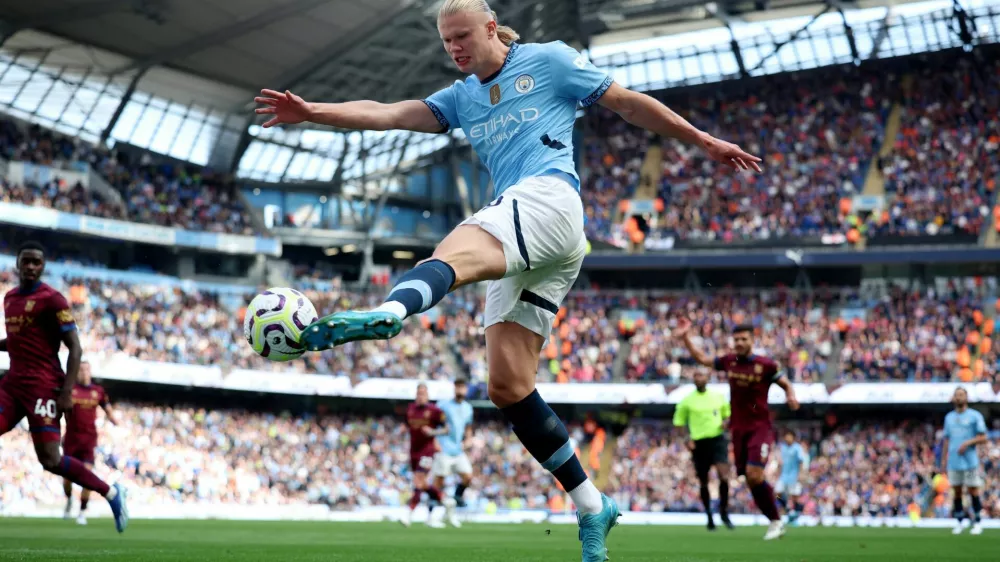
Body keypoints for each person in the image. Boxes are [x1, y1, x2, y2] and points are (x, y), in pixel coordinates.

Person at [255, 0, 760, 557]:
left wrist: (703, 140)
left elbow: (628, 105)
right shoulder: (461, 95)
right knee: (508, 386)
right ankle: (594, 506)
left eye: (462, 36)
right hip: (537, 239)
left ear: (491, 27)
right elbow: (390, 113)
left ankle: (392, 311)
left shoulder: (548, 61)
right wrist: (313, 113)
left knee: (459, 247)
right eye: (446, 41)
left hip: (550, 200)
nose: (454, 48)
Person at [0, 241, 128, 533]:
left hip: (44, 388)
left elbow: (75, 348)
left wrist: (67, 391)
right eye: (27, 261)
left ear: (42, 267)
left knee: (51, 460)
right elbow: (19, 343)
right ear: (17, 264)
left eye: (37, 262)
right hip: (12, 384)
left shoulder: (53, 300)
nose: (31, 267)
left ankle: (111, 492)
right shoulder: (9, 299)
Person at [676, 319, 799, 540]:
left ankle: (777, 519)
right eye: (737, 339)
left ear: (753, 339)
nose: (740, 342)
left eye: (744, 339)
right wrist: (685, 337)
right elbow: (703, 359)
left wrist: (790, 393)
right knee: (749, 478)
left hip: (760, 428)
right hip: (738, 430)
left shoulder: (766, 365)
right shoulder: (729, 361)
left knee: (754, 474)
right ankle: (778, 515)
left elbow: (784, 382)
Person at [672, 369, 734, 531]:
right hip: (699, 443)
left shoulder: (718, 397)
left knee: (724, 476)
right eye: (696, 375)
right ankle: (709, 516)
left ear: (708, 378)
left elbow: (728, 415)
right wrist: (686, 439)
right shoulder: (687, 401)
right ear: (693, 379)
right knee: (703, 481)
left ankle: (724, 512)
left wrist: (726, 423)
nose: (699, 378)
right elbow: (679, 423)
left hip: (717, 440)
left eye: (702, 375)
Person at [62, 361, 118, 525]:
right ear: (77, 372)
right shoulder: (71, 390)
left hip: (88, 441)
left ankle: (81, 511)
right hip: (71, 440)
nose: (84, 372)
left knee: (87, 475)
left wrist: (115, 421)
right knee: (67, 478)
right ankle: (69, 499)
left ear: (90, 371)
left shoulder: (98, 391)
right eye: (81, 369)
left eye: (86, 369)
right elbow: (64, 411)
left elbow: (107, 408)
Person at [403, 383, 456, 528]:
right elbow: (409, 426)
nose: (420, 396)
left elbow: (447, 429)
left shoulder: (434, 411)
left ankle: (408, 514)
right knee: (423, 484)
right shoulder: (410, 409)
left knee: (418, 481)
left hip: (427, 450)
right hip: (413, 451)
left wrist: (433, 433)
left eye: (423, 393)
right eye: (418, 393)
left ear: (427, 395)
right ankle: (445, 499)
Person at [941, 387, 987, 535]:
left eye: (962, 395)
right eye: (957, 395)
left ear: (966, 398)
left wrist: (967, 443)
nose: (959, 398)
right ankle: (959, 522)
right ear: (954, 398)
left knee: (973, 490)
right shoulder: (949, 417)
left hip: (970, 461)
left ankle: (978, 522)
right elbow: (947, 440)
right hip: (954, 461)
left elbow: (983, 437)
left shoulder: (975, 416)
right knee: (957, 491)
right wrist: (943, 460)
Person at [433, 378, 475, 528]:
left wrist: (469, 439)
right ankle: (433, 514)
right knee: (439, 482)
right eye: (458, 387)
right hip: (444, 448)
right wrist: (435, 441)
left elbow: (469, 428)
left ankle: (454, 501)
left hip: (458, 450)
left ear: (466, 389)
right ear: (454, 388)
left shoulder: (468, 408)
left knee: (468, 476)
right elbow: (433, 423)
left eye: (463, 387)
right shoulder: (443, 405)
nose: (460, 390)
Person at [775, 429, 809, 526]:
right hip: (783, 476)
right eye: (786, 436)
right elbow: (780, 462)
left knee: (794, 497)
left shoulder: (797, 448)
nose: (787, 438)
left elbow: (801, 461)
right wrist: (778, 472)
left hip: (794, 476)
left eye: (789, 436)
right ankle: (789, 511)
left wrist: (801, 473)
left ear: (793, 437)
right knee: (777, 494)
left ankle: (795, 514)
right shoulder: (783, 447)